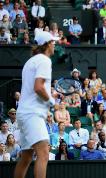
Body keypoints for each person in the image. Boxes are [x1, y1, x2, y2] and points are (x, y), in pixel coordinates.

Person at [14, 31, 58, 178]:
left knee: (26, 156)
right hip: (32, 114)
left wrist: (50, 95)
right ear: (47, 44)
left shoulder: (31, 61)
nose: (54, 45)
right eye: (53, 42)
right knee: (44, 153)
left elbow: (37, 88)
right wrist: (51, 101)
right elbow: (38, 87)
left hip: (25, 113)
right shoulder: (45, 60)